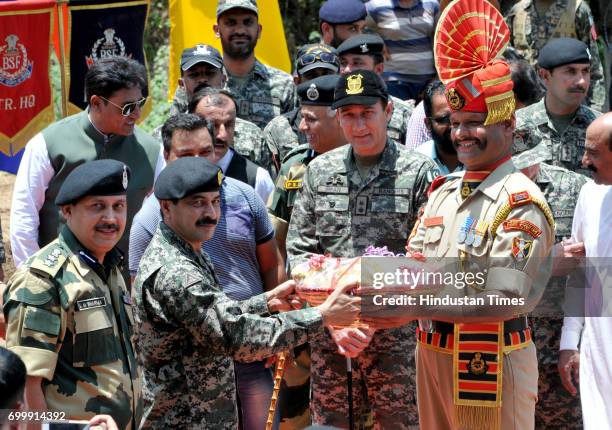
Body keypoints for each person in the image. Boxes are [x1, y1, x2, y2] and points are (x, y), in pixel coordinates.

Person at [393, 1, 555, 428]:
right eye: (457, 121)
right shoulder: (444, 191)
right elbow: (414, 265)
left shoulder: (519, 200)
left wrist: (410, 300)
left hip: (489, 361)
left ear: (508, 127)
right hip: (431, 353)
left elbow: (504, 297)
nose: (462, 133)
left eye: (476, 121)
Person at [133, 156, 360, 428]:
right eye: (197, 203)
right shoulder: (177, 272)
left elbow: (213, 317)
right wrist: (321, 315)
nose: (211, 214)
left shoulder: (185, 249)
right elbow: (235, 336)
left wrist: (267, 302)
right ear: (166, 207)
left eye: (216, 201)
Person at [287, 70, 438, 428]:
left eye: (367, 113)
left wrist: (371, 317)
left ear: (387, 112)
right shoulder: (319, 172)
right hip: (331, 339)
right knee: (332, 426)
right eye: (349, 115)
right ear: (338, 117)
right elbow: (300, 254)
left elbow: (428, 257)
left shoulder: (418, 172)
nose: (358, 125)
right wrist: (338, 322)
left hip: (397, 339)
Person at [129, 113, 284, 430]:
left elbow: (271, 263)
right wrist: (316, 318)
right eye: (186, 155)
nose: (199, 162)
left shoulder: (243, 196)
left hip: (251, 351)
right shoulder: (150, 220)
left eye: (206, 151)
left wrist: (267, 310)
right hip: (193, 380)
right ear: (167, 156)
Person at [3, 160, 141, 429]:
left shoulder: (110, 268)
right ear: (67, 211)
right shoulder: (42, 279)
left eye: (119, 206)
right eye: (97, 207)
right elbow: (28, 389)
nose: (111, 219)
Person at [9, 57, 164, 282]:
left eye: (140, 103)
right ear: (97, 103)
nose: (137, 114)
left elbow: (162, 219)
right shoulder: (48, 144)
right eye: (128, 107)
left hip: (124, 285)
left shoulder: (151, 151)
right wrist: (33, 279)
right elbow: (24, 215)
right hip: (58, 281)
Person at [512, 142, 587, 428]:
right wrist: (544, 266)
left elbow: (595, 273)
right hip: (499, 349)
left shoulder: (576, 188)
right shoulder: (475, 190)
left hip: (557, 353)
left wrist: (574, 342)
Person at [559, 113, 612, 430]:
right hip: (599, 354)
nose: (584, 160)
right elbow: (581, 273)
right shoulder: (590, 196)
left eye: (593, 152)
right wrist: (569, 343)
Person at [268, 75, 347, 260]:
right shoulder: (294, 165)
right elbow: (276, 238)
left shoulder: (366, 161)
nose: (302, 127)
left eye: (310, 119)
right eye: (302, 117)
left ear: (338, 118)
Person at [167, 44, 273, 173]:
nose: (203, 79)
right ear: (181, 84)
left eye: (210, 73)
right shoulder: (166, 136)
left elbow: (265, 188)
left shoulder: (253, 136)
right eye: (194, 75)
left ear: (223, 80)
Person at [514, 37, 601, 178]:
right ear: (545, 76)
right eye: (571, 71)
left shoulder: (601, 130)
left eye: (585, 71)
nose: (581, 81)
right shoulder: (517, 125)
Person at [505, 0, 606, 111]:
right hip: (526, 110)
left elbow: (594, 67)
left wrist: (596, 109)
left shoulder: (578, 9)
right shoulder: (517, 11)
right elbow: (508, 64)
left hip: (567, 111)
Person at [215, 0, 295, 129]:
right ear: (217, 30)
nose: (240, 30)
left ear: (258, 30)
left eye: (247, 22)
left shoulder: (285, 85)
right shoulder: (201, 83)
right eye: (231, 23)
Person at [188, 87, 275, 202]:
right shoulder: (174, 169)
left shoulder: (257, 179)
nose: (222, 135)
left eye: (229, 124)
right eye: (213, 125)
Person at [264, 43, 340, 169]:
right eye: (312, 76)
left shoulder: (350, 123)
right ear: (297, 82)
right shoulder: (278, 128)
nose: (320, 82)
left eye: (327, 74)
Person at [337, 34, 414, 148]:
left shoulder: (404, 113)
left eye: (357, 63)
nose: (347, 69)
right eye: (343, 63)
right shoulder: (331, 111)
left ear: (378, 69)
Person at [365, 0, 439, 101]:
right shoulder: (375, 6)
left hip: (427, 81)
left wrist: (437, 77)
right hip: (393, 81)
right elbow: (360, 28)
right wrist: (376, 40)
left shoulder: (431, 3)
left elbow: (440, 37)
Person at [416, 80, 463, 175]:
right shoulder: (416, 162)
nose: (453, 126)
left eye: (459, 117)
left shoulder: (482, 158)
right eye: (445, 119)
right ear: (428, 124)